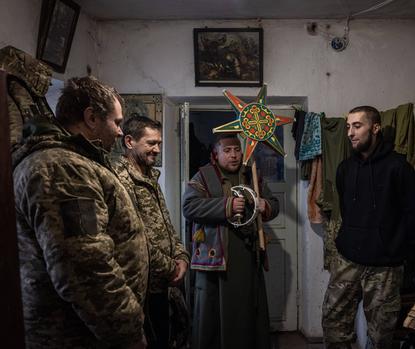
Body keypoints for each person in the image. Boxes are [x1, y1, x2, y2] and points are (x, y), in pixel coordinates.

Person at [12, 76, 149, 348]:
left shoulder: (76, 161)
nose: (120, 133)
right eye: (117, 123)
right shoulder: (63, 168)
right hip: (74, 334)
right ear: (91, 117)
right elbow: (85, 268)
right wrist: (127, 331)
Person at [322, 106, 415, 349]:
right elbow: (347, 212)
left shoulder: (398, 168)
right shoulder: (345, 169)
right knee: (333, 324)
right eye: (348, 127)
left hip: (385, 266)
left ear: (376, 128)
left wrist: (398, 250)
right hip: (348, 260)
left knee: (381, 336)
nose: (350, 132)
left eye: (357, 126)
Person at [182, 133, 279, 349]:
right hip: (215, 261)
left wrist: (266, 206)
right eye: (227, 151)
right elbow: (189, 207)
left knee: (247, 311)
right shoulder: (202, 177)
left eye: (237, 150)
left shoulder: (251, 175)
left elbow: (274, 203)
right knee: (213, 315)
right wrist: (226, 206)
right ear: (215, 153)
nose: (233, 155)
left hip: (247, 255)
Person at [113, 115, 190, 348]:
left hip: (164, 284)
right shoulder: (119, 179)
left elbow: (165, 225)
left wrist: (181, 256)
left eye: (159, 143)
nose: (157, 149)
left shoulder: (149, 176)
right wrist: (170, 268)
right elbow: (134, 239)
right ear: (129, 142)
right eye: (150, 143)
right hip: (142, 287)